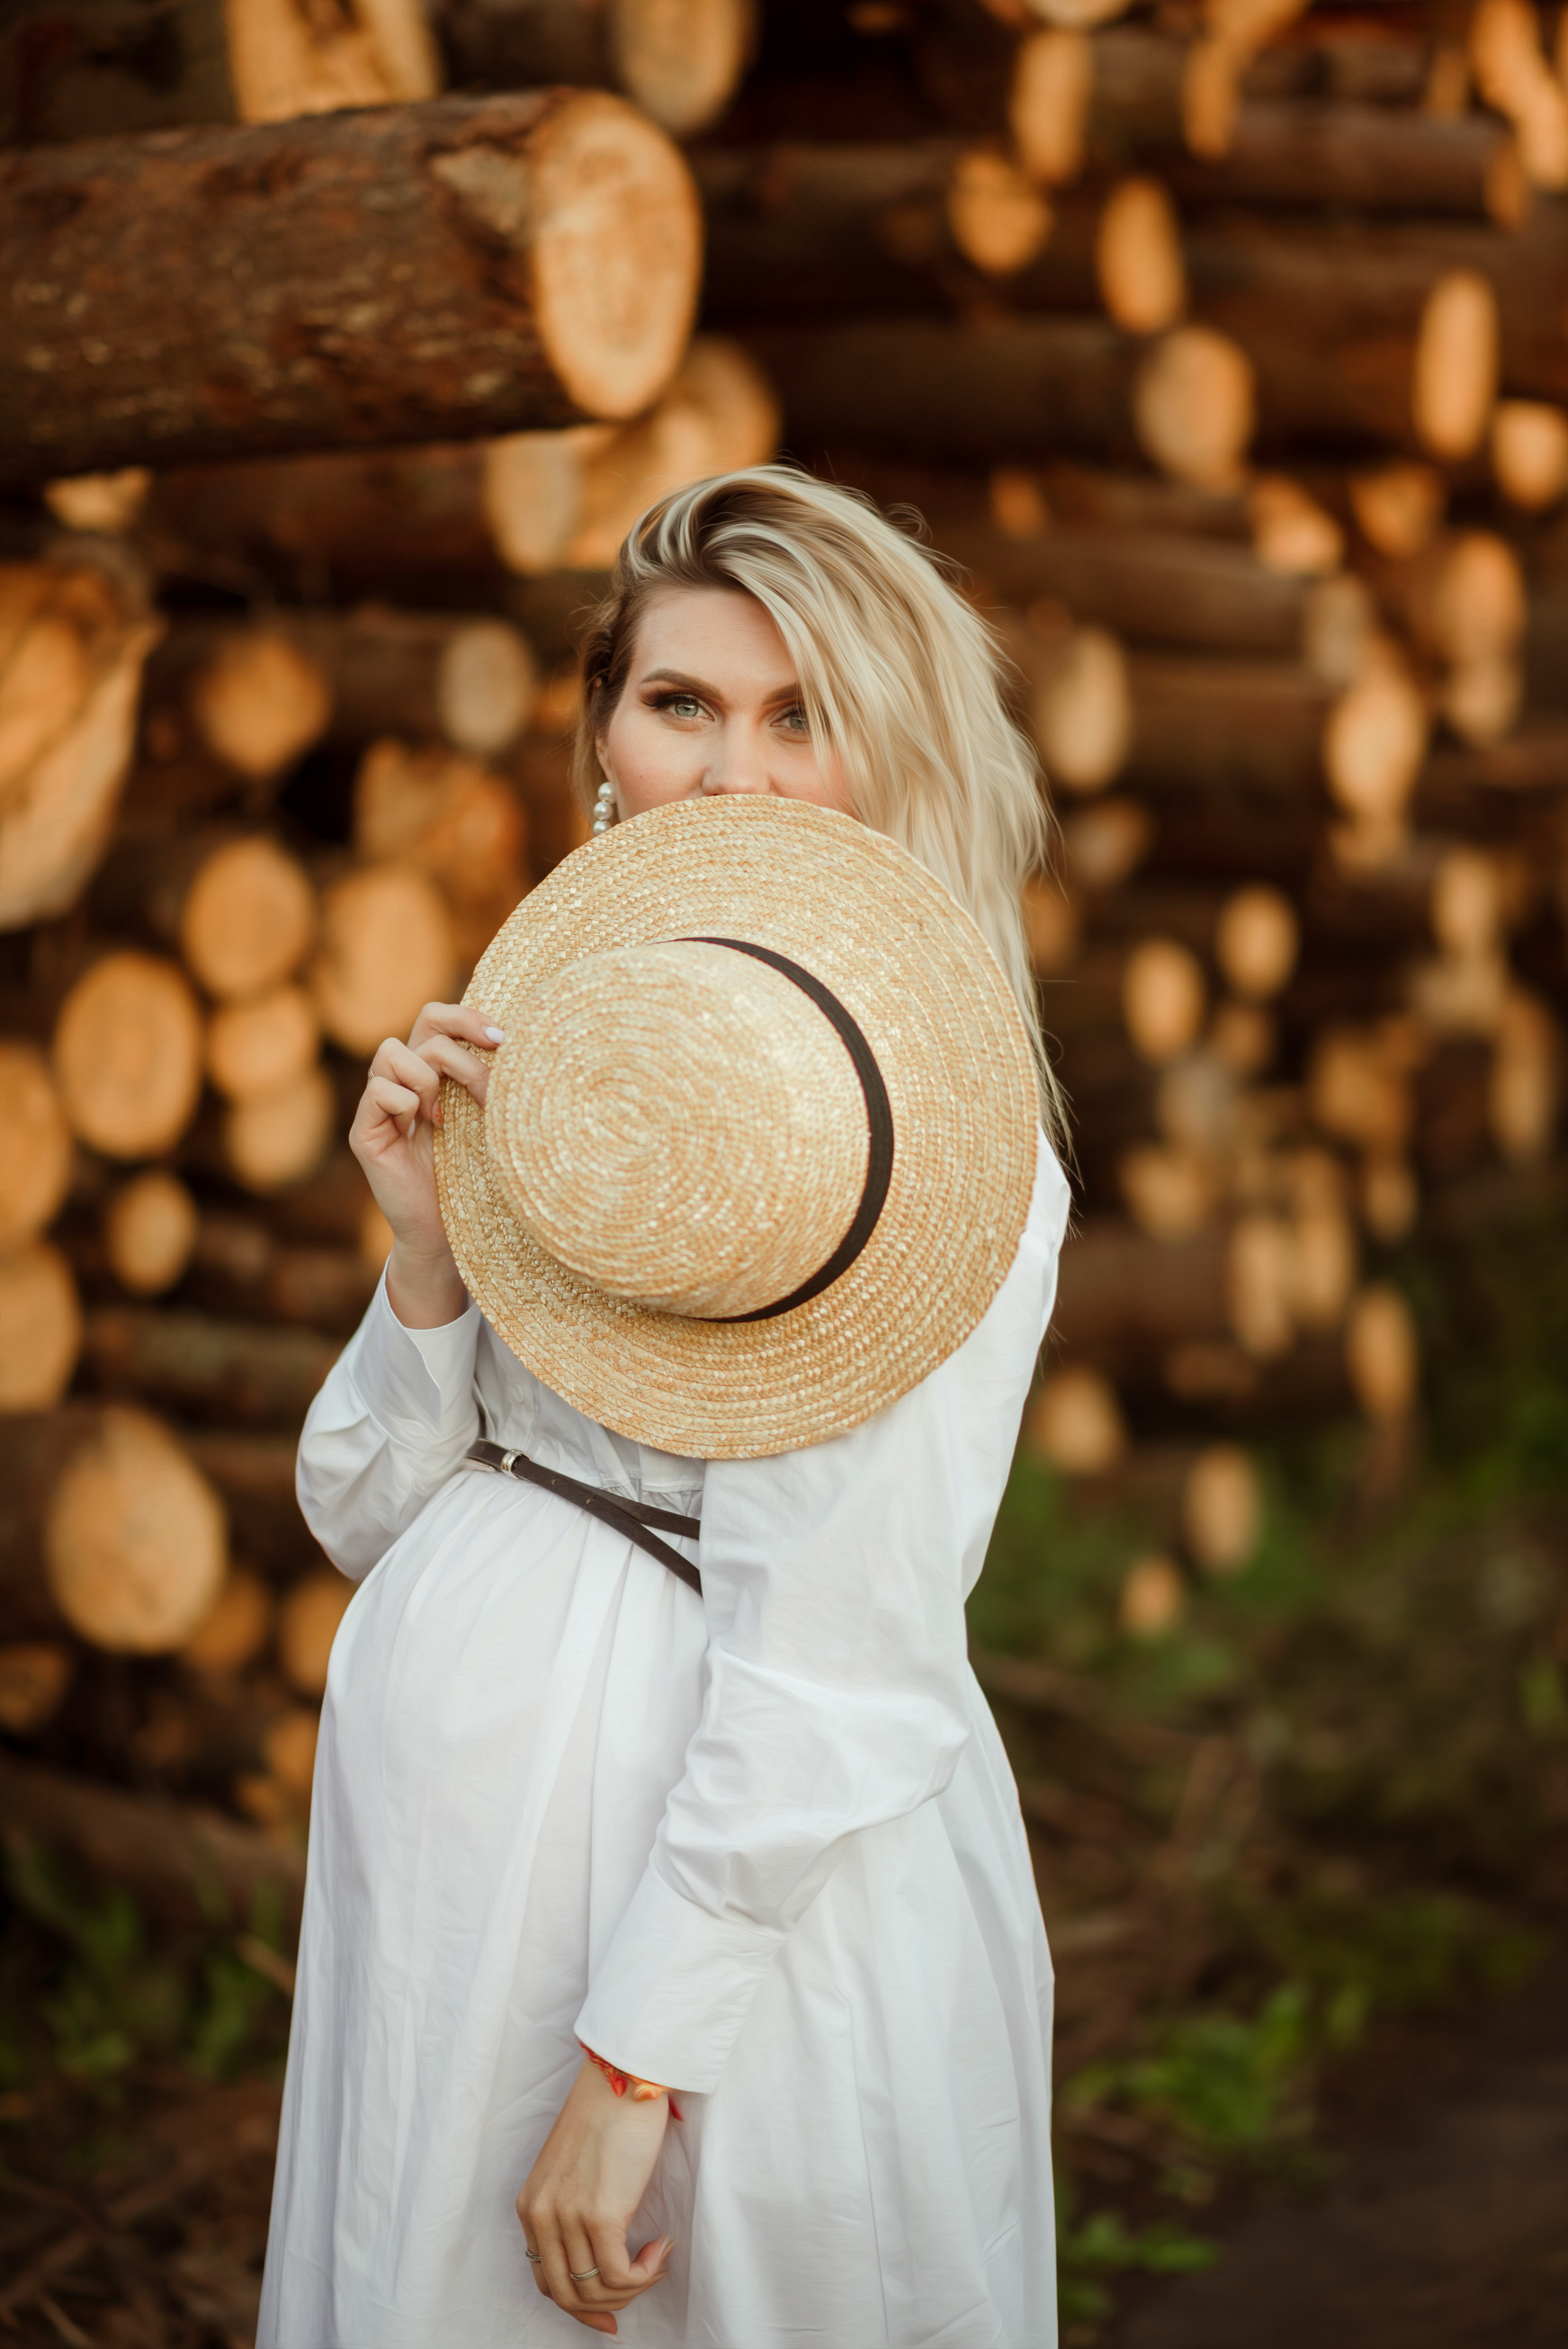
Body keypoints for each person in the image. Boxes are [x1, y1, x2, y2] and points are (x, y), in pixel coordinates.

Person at [257, 466, 1072, 2349]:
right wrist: (429, 1252)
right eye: (683, 702)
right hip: (449, 1880)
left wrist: (633, 2070)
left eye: (803, 715)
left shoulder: (933, 1140)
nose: (734, 769)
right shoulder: (567, 1039)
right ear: (603, 736)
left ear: (888, 751)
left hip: (712, 1889)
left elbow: (843, 1649)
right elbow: (377, 1509)